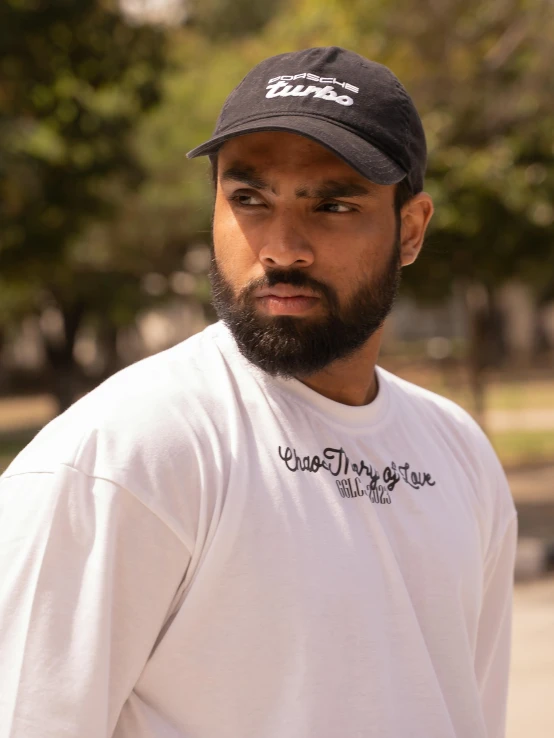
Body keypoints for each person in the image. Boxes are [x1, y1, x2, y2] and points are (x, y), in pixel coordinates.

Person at [0, 47, 517, 738]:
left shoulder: (458, 453)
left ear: (411, 230)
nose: (282, 248)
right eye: (249, 199)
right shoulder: (121, 459)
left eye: (332, 205)